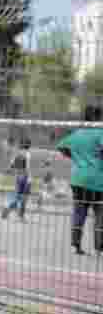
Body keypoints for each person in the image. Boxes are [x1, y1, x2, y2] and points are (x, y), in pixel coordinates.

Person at [57, 105, 103, 255]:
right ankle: (99, 248)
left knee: (79, 212)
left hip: (78, 179)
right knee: (100, 215)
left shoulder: (77, 133)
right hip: (98, 179)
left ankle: (75, 245)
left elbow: (61, 146)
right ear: (97, 117)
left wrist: (75, 157)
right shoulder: (100, 132)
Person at [1, 139, 32, 221]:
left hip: (19, 177)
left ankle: (6, 211)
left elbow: (11, 166)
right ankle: (20, 215)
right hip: (25, 178)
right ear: (29, 146)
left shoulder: (18, 153)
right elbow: (26, 167)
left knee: (19, 197)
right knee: (23, 198)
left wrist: (10, 170)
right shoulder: (27, 154)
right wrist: (27, 178)